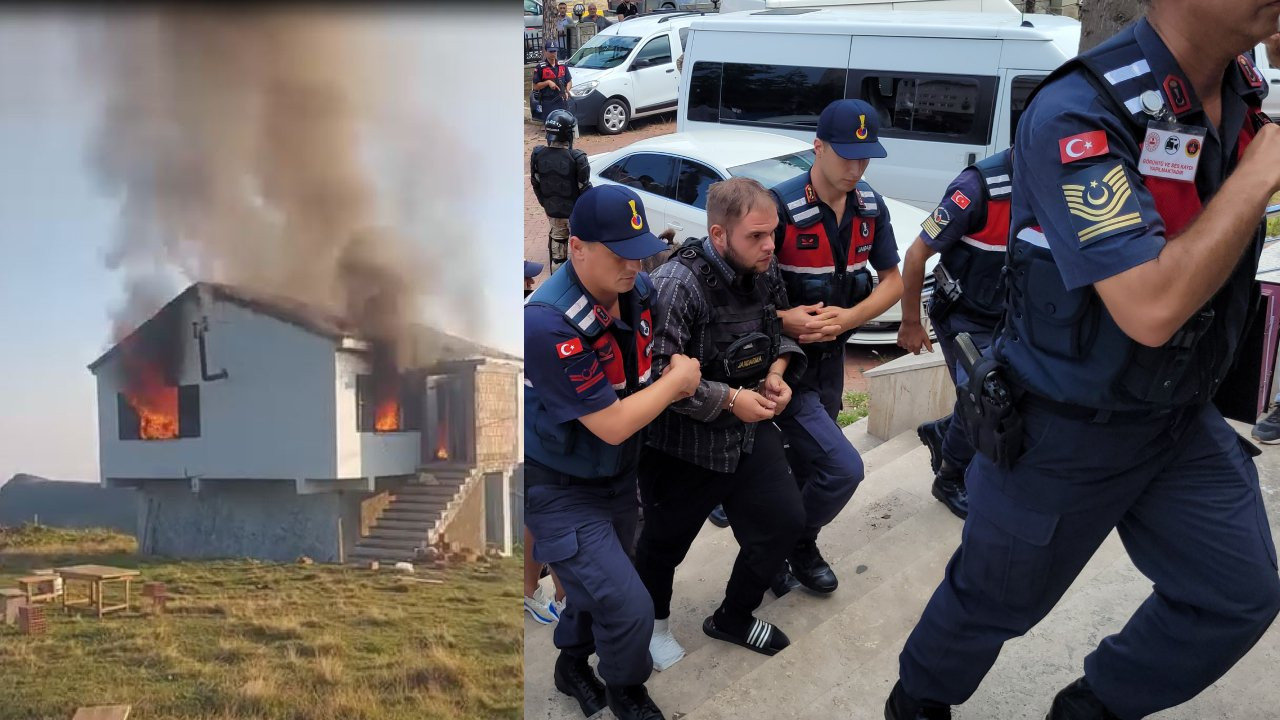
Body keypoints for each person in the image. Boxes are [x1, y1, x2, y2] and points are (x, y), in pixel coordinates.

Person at [887, 2, 1280, 718]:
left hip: (1176, 419)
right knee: (991, 602)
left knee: (1240, 594)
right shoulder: (1080, 111)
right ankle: (917, 701)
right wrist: (1260, 175)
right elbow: (1151, 307)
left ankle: (1092, 708)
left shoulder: (1243, 87)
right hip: (1064, 433)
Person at [525, 183, 701, 720]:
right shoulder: (548, 321)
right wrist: (677, 381)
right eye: (618, 252)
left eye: (637, 248)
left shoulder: (636, 289)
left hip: (619, 479)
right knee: (629, 607)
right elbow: (611, 425)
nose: (633, 263)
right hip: (560, 487)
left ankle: (571, 663)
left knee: (596, 588)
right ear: (576, 247)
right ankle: (626, 689)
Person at [634, 177, 808, 671]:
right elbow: (658, 378)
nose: (770, 245)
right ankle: (654, 627)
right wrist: (730, 399)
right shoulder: (677, 285)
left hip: (749, 432)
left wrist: (777, 373)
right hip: (681, 448)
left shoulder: (764, 269)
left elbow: (777, 334)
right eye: (756, 235)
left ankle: (733, 616)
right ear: (717, 235)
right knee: (663, 545)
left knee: (784, 522)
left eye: (772, 233)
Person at [767, 98, 902, 597]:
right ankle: (791, 544)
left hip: (832, 365)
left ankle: (789, 545)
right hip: (785, 365)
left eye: (865, 157)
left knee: (808, 465)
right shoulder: (778, 207)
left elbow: (892, 280)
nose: (856, 167)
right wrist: (784, 317)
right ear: (817, 147)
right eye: (846, 155)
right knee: (843, 468)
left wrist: (849, 318)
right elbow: (739, 295)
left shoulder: (870, 205)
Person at [897, 149, 1014, 520]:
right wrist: (911, 322)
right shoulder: (976, 189)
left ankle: (944, 430)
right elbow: (916, 256)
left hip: (1010, 312)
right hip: (965, 318)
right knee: (982, 397)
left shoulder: (1057, 179)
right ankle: (949, 477)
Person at [531, 110, 592, 270]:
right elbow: (585, 191)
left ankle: (558, 287)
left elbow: (535, 184)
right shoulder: (578, 158)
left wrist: (546, 206)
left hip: (554, 214)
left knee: (557, 258)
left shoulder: (537, 154)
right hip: (575, 216)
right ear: (568, 133)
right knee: (582, 253)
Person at [531, 42, 572, 120]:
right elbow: (535, 87)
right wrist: (547, 82)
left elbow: (569, 81)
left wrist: (567, 91)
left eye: (554, 51)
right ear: (545, 52)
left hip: (562, 100)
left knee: (565, 123)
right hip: (548, 102)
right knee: (550, 125)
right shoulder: (540, 67)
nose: (553, 53)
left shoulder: (562, 65)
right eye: (550, 51)